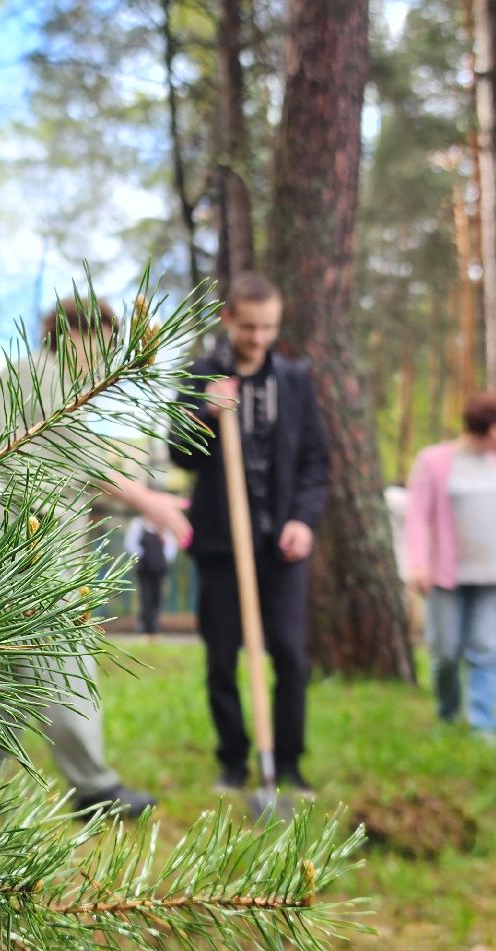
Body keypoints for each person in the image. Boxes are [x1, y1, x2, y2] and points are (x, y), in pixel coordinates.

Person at [0, 297, 193, 819]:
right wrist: (147, 498)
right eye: (104, 345)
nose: (105, 361)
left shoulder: (20, 377)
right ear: (71, 334)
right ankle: (93, 790)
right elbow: (79, 458)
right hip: (27, 553)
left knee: (0, 675)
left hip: (5, 547)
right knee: (62, 663)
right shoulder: (46, 376)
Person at [171, 273, 330, 796]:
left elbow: (315, 462)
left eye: (268, 328)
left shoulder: (295, 379)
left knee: (289, 653)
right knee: (222, 656)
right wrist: (206, 414)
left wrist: (302, 520)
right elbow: (178, 454)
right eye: (249, 327)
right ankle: (234, 762)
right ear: (228, 319)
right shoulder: (200, 374)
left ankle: (287, 763)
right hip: (221, 544)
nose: (259, 338)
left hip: (280, 547)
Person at [402, 391, 496, 743]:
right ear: (483, 426)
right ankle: (447, 713)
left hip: (495, 575)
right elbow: (417, 518)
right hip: (446, 576)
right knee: (446, 652)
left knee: (486, 648)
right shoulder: (435, 461)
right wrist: (418, 564)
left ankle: (483, 723)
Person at [124, 512, 180, 642]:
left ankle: (154, 628)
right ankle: (146, 628)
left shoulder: (163, 526)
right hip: (144, 568)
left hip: (159, 569)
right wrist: (143, 557)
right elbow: (131, 544)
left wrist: (163, 560)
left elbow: (171, 546)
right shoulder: (139, 524)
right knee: (146, 597)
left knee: (157, 598)